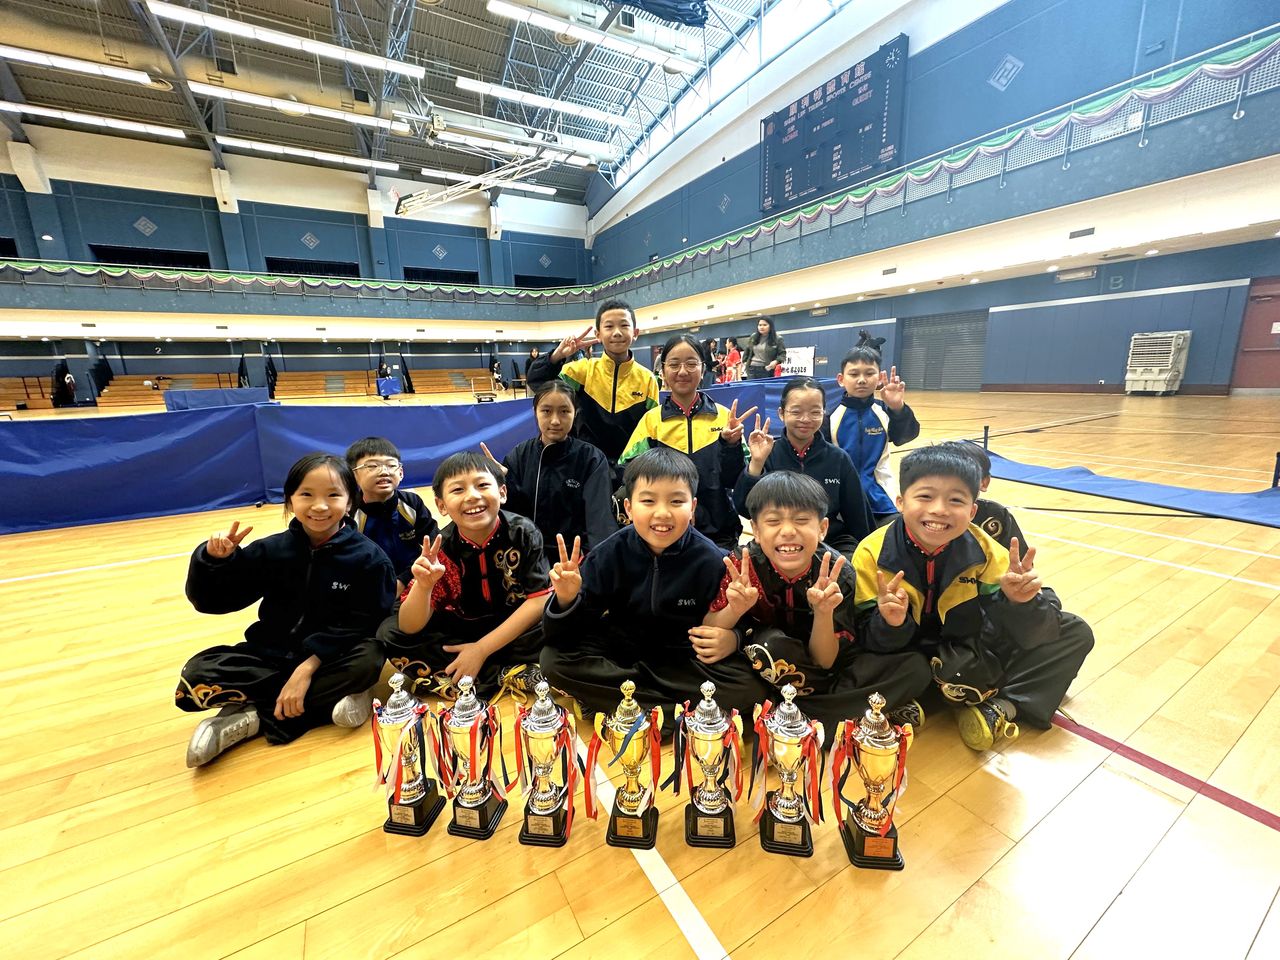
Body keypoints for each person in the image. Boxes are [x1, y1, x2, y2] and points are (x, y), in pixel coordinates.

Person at [852, 446, 1095, 751]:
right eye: (925, 496)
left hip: (966, 648)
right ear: (900, 502)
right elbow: (865, 638)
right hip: (907, 656)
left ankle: (1000, 707)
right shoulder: (872, 552)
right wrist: (890, 622)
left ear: (972, 511)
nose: (939, 510)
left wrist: (1020, 603)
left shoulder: (986, 549)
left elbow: (1032, 630)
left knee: (1075, 631)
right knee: (894, 668)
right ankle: (946, 695)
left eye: (955, 500)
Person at [177, 453, 396, 767]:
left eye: (333, 495)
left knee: (368, 659)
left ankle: (252, 717)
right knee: (197, 674)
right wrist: (212, 561)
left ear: (350, 502)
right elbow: (214, 602)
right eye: (306, 494)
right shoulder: (271, 550)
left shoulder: (370, 559)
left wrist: (306, 669)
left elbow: (364, 622)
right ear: (290, 501)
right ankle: (329, 700)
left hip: (329, 658)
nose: (319, 506)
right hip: (272, 655)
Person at [540, 448, 770, 721]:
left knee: (750, 688)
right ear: (628, 507)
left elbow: (744, 623)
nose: (662, 513)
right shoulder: (609, 553)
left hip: (684, 661)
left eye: (676, 501)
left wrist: (734, 638)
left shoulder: (713, 560)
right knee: (552, 661)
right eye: (648, 501)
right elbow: (562, 635)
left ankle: (626, 704)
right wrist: (566, 600)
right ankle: (675, 714)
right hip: (622, 652)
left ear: (692, 508)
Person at [703, 472, 931, 732]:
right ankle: (856, 709)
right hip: (764, 665)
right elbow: (709, 630)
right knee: (768, 648)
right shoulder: (743, 565)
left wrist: (823, 613)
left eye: (801, 520)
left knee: (915, 668)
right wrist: (734, 610)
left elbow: (825, 662)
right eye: (773, 521)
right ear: (755, 529)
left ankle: (779, 714)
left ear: (822, 528)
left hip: (824, 667)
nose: (788, 531)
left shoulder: (838, 573)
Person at [376, 451, 551, 700]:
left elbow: (538, 599)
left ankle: (480, 672)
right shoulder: (441, 548)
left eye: (482, 485)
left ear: (502, 493)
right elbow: (408, 626)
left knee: (565, 616)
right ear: (441, 506)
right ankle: (504, 674)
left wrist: (481, 649)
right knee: (390, 633)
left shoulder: (523, 532)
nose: (472, 496)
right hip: (462, 630)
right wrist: (424, 587)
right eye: (458, 490)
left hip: (516, 627)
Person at [618, 334, 754, 548]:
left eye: (691, 364)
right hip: (665, 532)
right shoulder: (651, 421)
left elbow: (737, 480)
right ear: (663, 371)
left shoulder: (724, 418)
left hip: (719, 535)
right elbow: (628, 474)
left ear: (703, 369)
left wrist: (731, 446)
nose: (682, 371)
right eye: (674, 364)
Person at [482, 380, 617, 567]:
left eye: (564, 411)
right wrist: (505, 481)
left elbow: (599, 523)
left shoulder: (591, 459)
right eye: (546, 411)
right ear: (535, 413)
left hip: (573, 561)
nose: (555, 421)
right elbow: (511, 516)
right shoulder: (519, 455)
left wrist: (593, 566)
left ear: (575, 413)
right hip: (527, 558)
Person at [734, 377, 874, 554]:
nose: (805, 419)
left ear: (824, 413)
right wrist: (757, 463)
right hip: (779, 542)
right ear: (781, 413)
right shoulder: (767, 454)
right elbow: (745, 509)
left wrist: (868, 554)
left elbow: (858, 515)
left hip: (828, 542)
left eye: (815, 412)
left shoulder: (838, 458)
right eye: (796, 411)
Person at [525, 299, 659, 481]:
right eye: (609, 326)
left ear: (635, 333)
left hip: (627, 473)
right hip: (583, 466)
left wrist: (627, 470)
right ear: (598, 334)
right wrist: (557, 356)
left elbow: (650, 432)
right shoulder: (582, 371)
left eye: (624, 325)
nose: (617, 332)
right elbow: (539, 382)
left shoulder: (648, 380)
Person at [826, 337, 921, 525]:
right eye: (854, 374)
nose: (862, 380)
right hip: (840, 498)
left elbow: (905, 436)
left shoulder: (885, 411)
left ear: (878, 379)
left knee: (897, 531)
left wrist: (897, 408)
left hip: (881, 496)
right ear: (841, 380)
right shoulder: (829, 416)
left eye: (869, 373)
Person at [345, 437, 440, 594]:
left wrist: (404, 580)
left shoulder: (411, 502)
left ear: (401, 472)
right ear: (353, 475)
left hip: (415, 580)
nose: (384, 471)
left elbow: (434, 543)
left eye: (391, 465)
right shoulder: (348, 511)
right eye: (372, 466)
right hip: (369, 589)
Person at [937, 441, 1028, 550]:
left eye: (965, 478)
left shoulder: (996, 515)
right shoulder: (925, 516)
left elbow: (1018, 557)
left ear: (984, 482)